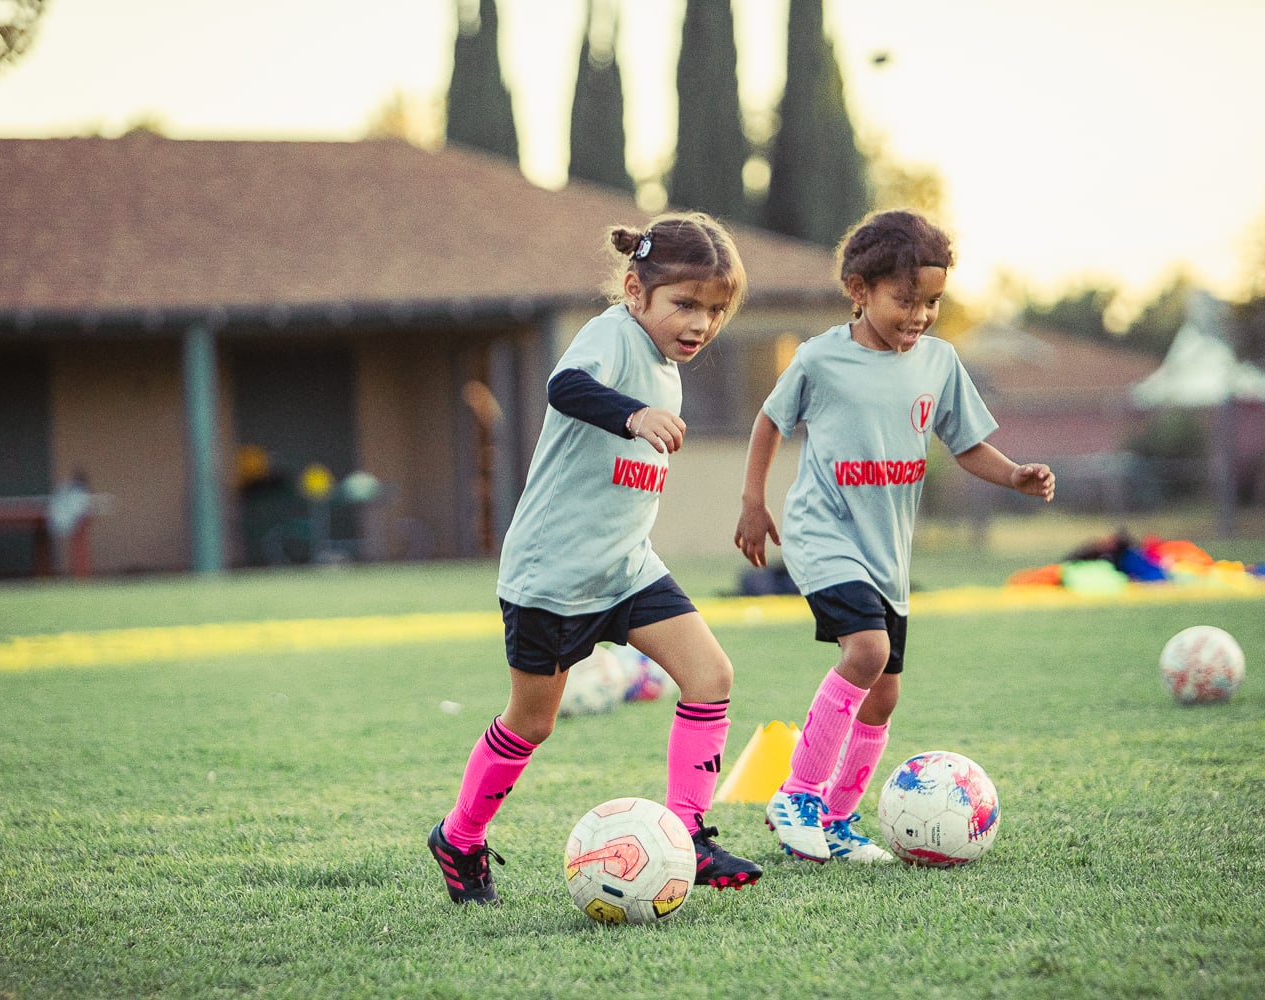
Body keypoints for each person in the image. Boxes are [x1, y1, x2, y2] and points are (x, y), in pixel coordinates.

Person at [429, 212, 764, 904]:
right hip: (553, 577)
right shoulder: (612, 336)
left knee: (710, 675)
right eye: (685, 304)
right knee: (532, 723)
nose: (701, 324)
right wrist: (633, 416)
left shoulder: (667, 365)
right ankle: (458, 839)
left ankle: (689, 838)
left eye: (714, 310)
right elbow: (566, 387)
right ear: (636, 290)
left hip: (628, 569)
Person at [733, 209, 1055, 864]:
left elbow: (966, 443)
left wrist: (1013, 474)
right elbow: (770, 422)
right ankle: (797, 795)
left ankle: (835, 821)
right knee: (868, 651)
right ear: (860, 289)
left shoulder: (939, 363)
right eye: (906, 300)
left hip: (888, 553)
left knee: (883, 694)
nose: (921, 315)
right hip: (823, 533)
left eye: (932, 302)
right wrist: (753, 502)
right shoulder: (820, 358)